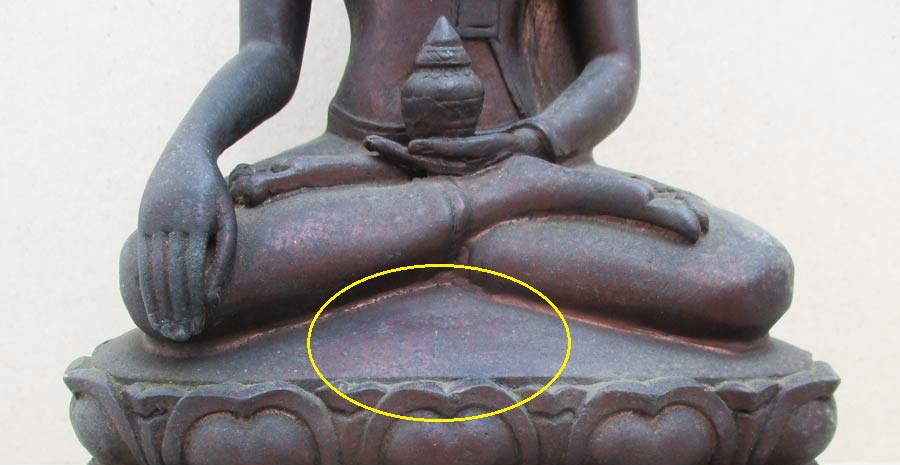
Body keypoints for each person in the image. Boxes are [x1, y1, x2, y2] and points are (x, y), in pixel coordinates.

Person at [121, 0, 793, 343]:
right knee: (172, 281)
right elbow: (268, 52)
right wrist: (189, 152)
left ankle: (459, 223)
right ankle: (478, 213)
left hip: (529, 162)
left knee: (748, 275)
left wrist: (533, 142)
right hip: (363, 164)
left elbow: (615, 63)